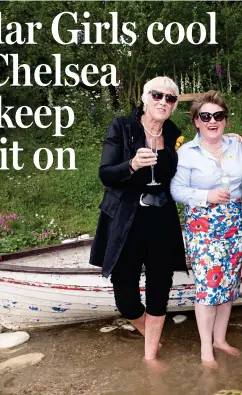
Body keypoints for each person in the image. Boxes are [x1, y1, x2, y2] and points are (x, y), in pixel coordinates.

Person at [89, 76, 187, 369]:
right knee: (126, 299)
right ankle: (153, 338)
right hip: (126, 219)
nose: (163, 102)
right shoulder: (122, 126)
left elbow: (193, 161)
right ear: (145, 98)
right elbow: (106, 173)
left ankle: (151, 357)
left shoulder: (173, 134)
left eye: (170, 98)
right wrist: (131, 165)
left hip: (161, 219)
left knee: (160, 287)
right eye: (157, 95)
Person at [171, 90, 242, 368]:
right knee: (207, 288)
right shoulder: (187, 153)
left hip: (233, 223)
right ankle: (206, 348)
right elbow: (176, 190)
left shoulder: (237, 147)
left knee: (228, 285)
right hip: (203, 226)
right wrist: (206, 197)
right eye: (205, 116)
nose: (212, 121)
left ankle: (220, 339)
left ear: (225, 120)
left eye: (217, 116)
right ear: (196, 121)